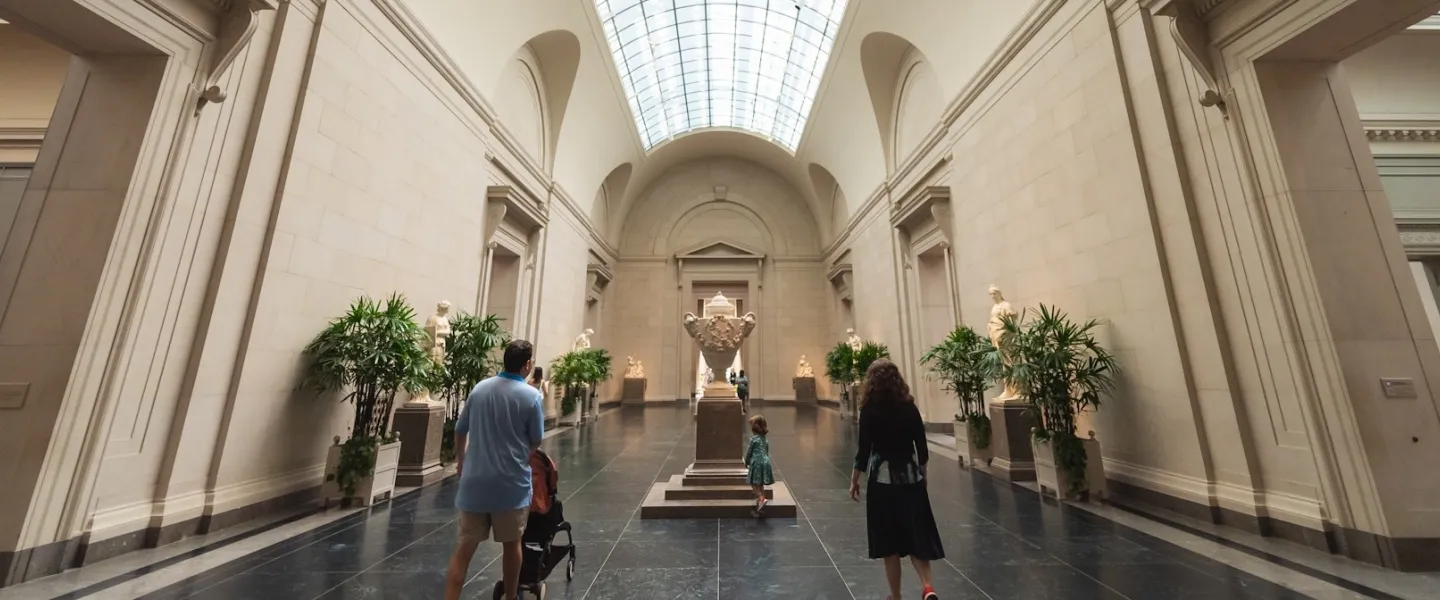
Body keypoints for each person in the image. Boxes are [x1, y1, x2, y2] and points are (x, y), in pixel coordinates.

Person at [445, 340, 545, 600]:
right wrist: (521, 453)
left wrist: (462, 461)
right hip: (510, 484)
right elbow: (536, 439)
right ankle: (510, 597)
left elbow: (460, 430)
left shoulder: (480, 389)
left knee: (464, 548)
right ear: (527, 364)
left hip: (474, 483)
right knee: (512, 545)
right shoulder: (531, 396)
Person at [848, 359, 943, 600]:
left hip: (882, 482)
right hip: (910, 479)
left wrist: (855, 479)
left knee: (889, 543)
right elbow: (921, 447)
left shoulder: (869, 409)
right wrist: (923, 475)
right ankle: (928, 587)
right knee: (916, 535)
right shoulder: (908, 406)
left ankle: (896, 596)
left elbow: (863, 450)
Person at [744, 414, 774, 517]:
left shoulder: (754, 439)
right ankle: (760, 502)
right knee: (760, 483)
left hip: (756, 462)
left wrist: (746, 462)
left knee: (753, 483)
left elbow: (749, 452)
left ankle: (761, 498)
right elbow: (766, 451)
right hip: (765, 461)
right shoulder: (765, 439)